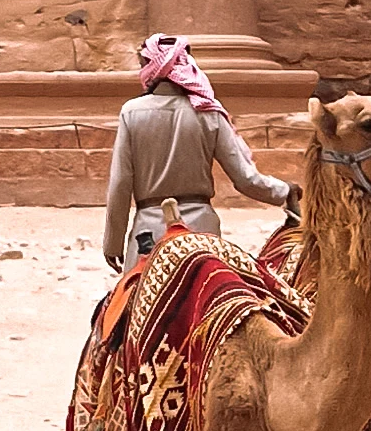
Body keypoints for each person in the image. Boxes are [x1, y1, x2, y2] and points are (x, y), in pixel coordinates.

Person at [102, 32, 290, 265]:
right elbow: (245, 178)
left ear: (152, 68)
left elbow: (120, 183)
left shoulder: (132, 112)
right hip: (202, 232)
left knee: (131, 298)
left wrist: (113, 242)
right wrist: (285, 191)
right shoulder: (209, 111)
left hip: (149, 231)